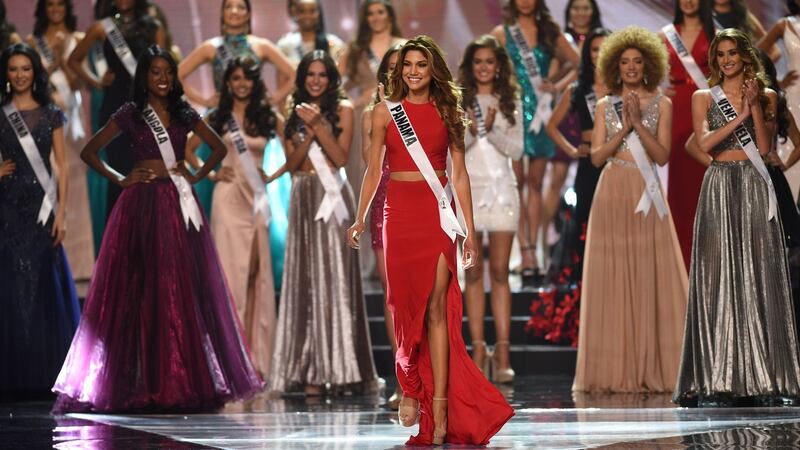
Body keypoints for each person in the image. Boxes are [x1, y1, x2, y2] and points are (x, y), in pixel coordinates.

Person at [53, 46, 263, 413]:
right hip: (141, 205)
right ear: (144, 78)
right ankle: (140, 382)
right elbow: (90, 151)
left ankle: (179, 379)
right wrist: (121, 178)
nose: (163, 78)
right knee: (140, 287)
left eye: (168, 72)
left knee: (178, 288)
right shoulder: (131, 114)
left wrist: (195, 175)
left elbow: (214, 148)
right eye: (155, 72)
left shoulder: (184, 113)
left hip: (178, 204)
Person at [347, 35, 514, 446]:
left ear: (433, 69)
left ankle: (438, 408)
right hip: (398, 215)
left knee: (436, 309)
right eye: (408, 65)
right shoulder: (384, 114)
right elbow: (373, 171)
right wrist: (360, 217)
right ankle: (409, 386)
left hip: (436, 214)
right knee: (403, 306)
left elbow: (459, 175)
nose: (414, 72)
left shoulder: (449, 112)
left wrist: (469, 232)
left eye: (421, 65)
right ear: (399, 70)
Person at [674, 28, 800, 407]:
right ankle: (716, 376)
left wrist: (755, 110)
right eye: (721, 55)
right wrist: (740, 114)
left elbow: (763, 147)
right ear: (715, 60)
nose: (727, 60)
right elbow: (707, 144)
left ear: (745, 56)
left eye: (733, 53)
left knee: (760, 275)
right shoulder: (703, 97)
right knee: (717, 276)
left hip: (754, 184)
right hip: (719, 186)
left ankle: (766, 375)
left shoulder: (767, 96)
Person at [572, 26, 688, 393]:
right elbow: (595, 157)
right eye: (625, 62)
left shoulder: (663, 103)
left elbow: (663, 156)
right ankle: (614, 370)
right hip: (612, 191)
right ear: (615, 65)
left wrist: (639, 121)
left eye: (638, 61)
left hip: (646, 191)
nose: (632, 67)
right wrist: (624, 129)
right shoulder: (606, 105)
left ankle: (655, 368)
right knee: (613, 278)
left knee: (648, 274)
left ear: (648, 63)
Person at [266, 50, 378, 396]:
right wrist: (306, 132)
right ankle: (310, 371)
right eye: (310, 75)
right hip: (302, 193)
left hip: (332, 195)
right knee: (306, 279)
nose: (315, 80)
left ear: (330, 80)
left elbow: (341, 157)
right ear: (302, 79)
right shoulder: (290, 113)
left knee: (336, 278)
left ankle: (344, 369)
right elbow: (295, 163)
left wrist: (317, 126)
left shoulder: (343, 109)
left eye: (322, 75)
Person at [185, 56, 280, 379]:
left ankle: (254, 360)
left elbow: (297, 148)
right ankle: (228, 360)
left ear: (255, 82)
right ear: (227, 83)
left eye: (247, 78)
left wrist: (276, 172)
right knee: (231, 278)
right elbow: (187, 148)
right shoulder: (218, 115)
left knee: (257, 277)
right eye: (235, 78)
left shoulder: (265, 115)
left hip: (256, 200)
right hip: (228, 200)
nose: (241, 84)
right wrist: (210, 174)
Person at [0, 43, 79, 398]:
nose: (19, 75)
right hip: (7, 206)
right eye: (13, 69)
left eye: (25, 68)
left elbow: (62, 166)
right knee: (11, 280)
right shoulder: (0, 113)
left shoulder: (51, 113)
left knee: (40, 280)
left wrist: (61, 214)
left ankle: (45, 370)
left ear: (35, 72)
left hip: (43, 208)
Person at [490, 0, 579, 286]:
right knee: (516, 183)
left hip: (541, 114)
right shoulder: (502, 33)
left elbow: (579, 64)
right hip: (513, 115)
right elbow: (487, 68)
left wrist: (556, 84)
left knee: (536, 183)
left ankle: (537, 251)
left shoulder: (550, 34)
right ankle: (525, 251)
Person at [178, 0, 295, 215]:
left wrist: (271, 100)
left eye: (240, 7)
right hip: (222, 122)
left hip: (254, 122)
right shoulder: (210, 47)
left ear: (249, 14)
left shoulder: (261, 46)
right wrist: (205, 101)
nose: (234, 11)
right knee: (218, 190)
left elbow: (293, 74)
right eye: (229, 6)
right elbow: (177, 75)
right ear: (222, 14)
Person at [458, 34, 523, 384]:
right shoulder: (458, 101)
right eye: (477, 61)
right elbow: (456, 147)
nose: (483, 67)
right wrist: (471, 127)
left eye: (489, 61)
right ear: (470, 67)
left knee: (499, 272)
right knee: (472, 272)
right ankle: (478, 348)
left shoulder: (510, 100)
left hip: (501, 192)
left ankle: (503, 351)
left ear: (498, 67)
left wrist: (492, 126)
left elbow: (516, 150)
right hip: (469, 190)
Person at [67, 0, 166, 218]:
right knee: (122, 174)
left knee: (150, 173)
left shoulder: (152, 26)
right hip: (116, 107)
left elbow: (164, 68)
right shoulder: (102, 27)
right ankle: (119, 238)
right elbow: (73, 60)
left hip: (147, 109)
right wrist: (96, 82)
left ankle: (150, 234)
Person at [28, 0, 94, 282]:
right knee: (50, 175)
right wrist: (51, 60)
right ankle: (52, 250)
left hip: (74, 120)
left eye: (60, 4)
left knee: (76, 183)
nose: (56, 9)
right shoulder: (33, 41)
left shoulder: (79, 39)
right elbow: (30, 83)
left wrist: (64, 63)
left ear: (68, 8)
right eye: (50, 4)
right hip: (46, 117)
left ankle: (80, 265)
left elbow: (83, 83)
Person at [545, 27, 610, 283]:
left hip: (615, 163)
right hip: (588, 165)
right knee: (586, 224)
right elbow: (552, 126)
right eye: (595, 49)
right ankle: (586, 286)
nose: (599, 53)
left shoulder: (622, 88)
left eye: (605, 47)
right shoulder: (577, 89)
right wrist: (573, 150)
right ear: (588, 54)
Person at [360, 42, 403, 408]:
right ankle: (403, 379)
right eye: (390, 67)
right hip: (385, 203)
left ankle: (431, 376)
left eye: (401, 66)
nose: (397, 73)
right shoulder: (374, 113)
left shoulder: (431, 107)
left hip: (422, 202)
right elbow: (368, 162)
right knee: (392, 297)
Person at [659, 0, 715, 269]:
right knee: (680, 183)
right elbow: (644, 72)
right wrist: (659, 89)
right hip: (678, 108)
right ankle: (681, 263)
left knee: (706, 177)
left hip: (707, 106)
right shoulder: (665, 34)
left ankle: (710, 258)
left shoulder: (716, 31)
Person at [338, 0, 405, 199]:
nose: (375, 17)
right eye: (370, 13)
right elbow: (336, 82)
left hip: (400, 110)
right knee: (365, 168)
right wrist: (353, 101)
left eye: (380, 12)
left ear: (389, 15)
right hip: (365, 112)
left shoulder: (404, 44)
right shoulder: (357, 47)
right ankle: (367, 225)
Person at [276, 0, 345, 68]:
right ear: (296, 13)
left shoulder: (333, 43)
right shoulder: (285, 44)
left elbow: (340, 72)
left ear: (318, 13)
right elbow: (281, 76)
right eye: (302, 11)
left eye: (312, 11)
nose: (307, 15)